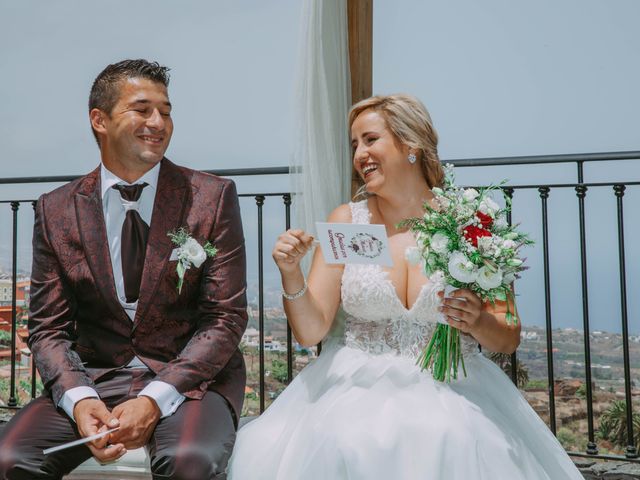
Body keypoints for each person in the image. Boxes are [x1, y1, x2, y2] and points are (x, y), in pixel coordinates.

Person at [227, 94, 583, 479]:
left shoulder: (472, 222)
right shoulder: (347, 221)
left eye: (370, 139)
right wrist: (291, 273)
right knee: (348, 440)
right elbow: (311, 330)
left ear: (411, 144)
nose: (359, 154)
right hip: (353, 387)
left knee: (452, 436)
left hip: (454, 386)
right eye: (354, 145)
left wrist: (478, 320)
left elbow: (507, 337)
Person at [0, 59, 247, 480]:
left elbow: (225, 319)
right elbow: (48, 329)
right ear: (99, 119)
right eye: (143, 109)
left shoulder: (212, 196)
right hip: (95, 376)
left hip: (189, 383)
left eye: (166, 111)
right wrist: (79, 400)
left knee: (188, 460)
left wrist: (153, 398)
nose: (159, 122)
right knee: (9, 459)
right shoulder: (56, 209)